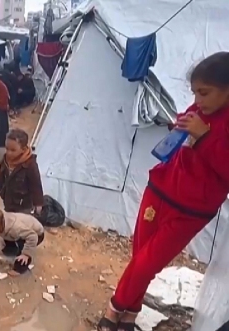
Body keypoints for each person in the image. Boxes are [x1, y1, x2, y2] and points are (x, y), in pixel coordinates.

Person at [97, 52, 229, 331]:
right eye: (195, 93)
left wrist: (204, 137)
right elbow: (185, 126)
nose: (198, 100)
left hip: (191, 210)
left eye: (204, 93)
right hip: (160, 188)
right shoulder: (200, 109)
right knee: (140, 254)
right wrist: (180, 127)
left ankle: (114, 309)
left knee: (148, 262)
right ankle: (131, 313)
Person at [0, 205, 45, 276]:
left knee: (22, 250)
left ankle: (19, 269)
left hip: (36, 234)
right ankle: (10, 250)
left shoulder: (16, 228)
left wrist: (26, 253)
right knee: (7, 236)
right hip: (19, 232)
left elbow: (32, 236)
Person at [0, 129, 44, 214]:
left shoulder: (30, 165)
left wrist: (38, 204)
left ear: (23, 149)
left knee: (21, 223)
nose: (8, 153)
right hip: (8, 200)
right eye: (7, 148)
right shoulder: (5, 160)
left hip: (23, 204)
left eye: (13, 150)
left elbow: (36, 184)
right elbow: (0, 177)